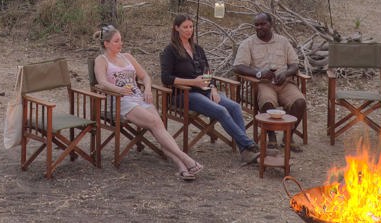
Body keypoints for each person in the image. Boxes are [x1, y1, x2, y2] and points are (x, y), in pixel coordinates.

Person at [94, 25, 206, 180]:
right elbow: (101, 82)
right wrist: (119, 90)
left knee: (159, 127)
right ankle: (186, 159)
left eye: (121, 40)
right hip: (121, 101)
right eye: (116, 41)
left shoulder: (127, 57)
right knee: (155, 122)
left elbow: (145, 76)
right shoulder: (101, 60)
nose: (120, 43)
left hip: (139, 98)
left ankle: (182, 167)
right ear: (106, 44)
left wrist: (147, 89)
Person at [159, 14, 258, 158]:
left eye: (191, 27)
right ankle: (249, 145)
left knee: (235, 107)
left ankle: (245, 150)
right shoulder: (170, 51)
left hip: (205, 90)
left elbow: (207, 72)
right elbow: (166, 78)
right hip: (183, 94)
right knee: (221, 111)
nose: (189, 30)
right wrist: (193, 82)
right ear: (176, 28)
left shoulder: (198, 49)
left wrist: (213, 88)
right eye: (185, 27)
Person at [234, 12, 307, 151]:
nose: (259, 27)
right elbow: (238, 67)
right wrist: (258, 73)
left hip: (284, 83)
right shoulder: (248, 43)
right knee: (267, 102)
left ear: (271, 24)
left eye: (263, 24)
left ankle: (288, 136)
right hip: (262, 84)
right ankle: (271, 136)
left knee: (300, 102)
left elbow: (294, 64)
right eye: (256, 25)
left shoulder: (283, 42)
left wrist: (285, 73)